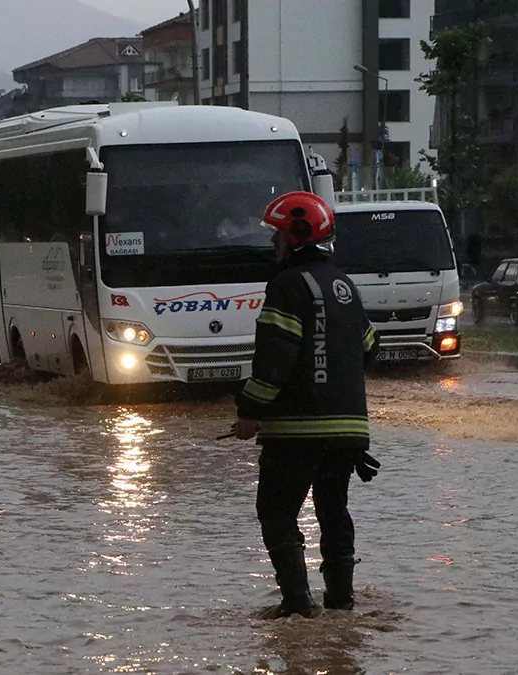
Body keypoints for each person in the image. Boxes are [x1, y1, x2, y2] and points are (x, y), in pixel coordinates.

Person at [234, 191, 380, 619]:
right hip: (348, 434)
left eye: (275, 234)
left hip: (297, 432)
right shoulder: (343, 286)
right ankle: (341, 604)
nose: (271, 243)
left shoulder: (286, 286)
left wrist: (249, 411)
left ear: (296, 237)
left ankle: (299, 607)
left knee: (276, 514)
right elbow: (369, 348)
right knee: (334, 514)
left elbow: (274, 361)